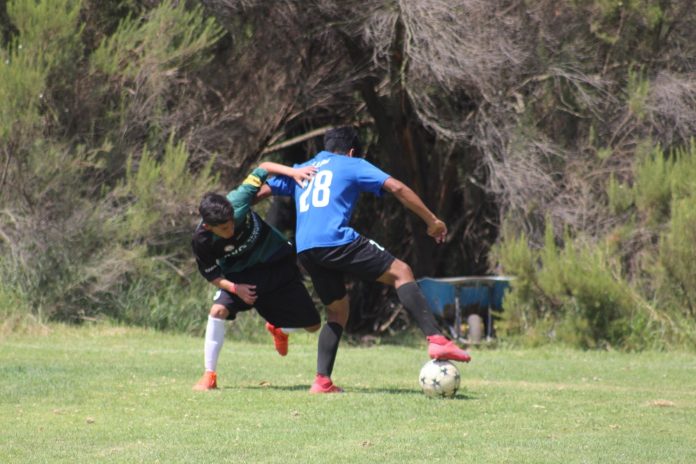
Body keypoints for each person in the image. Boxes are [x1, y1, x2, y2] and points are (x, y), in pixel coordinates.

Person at [262, 126, 471, 394]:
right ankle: (437, 338)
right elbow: (395, 186)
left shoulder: (303, 168)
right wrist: (432, 221)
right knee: (402, 272)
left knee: (338, 311)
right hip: (335, 239)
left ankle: (322, 381)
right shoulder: (351, 164)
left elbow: (262, 189)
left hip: (306, 249)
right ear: (351, 152)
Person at [191, 162, 321, 391]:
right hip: (240, 278)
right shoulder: (202, 241)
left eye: (231, 224)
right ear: (209, 227)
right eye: (223, 230)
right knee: (217, 311)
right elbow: (211, 274)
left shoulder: (238, 200)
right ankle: (209, 375)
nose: (230, 231)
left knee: (313, 325)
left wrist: (294, 172)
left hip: (277, 262)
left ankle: (279, 329)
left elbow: (264, 167)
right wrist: (234, 288)